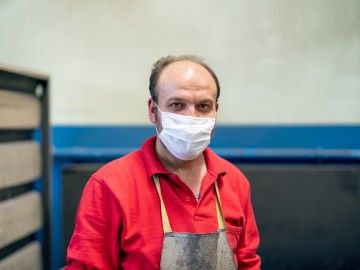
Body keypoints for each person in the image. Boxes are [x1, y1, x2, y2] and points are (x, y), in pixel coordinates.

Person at [65, 55, 261, 269]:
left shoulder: (234, 182)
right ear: (152, 111)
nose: (192, 117)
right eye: (177, 105)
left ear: (216, 111)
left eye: (203, 106)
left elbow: (248, 264)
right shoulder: (110, 185)